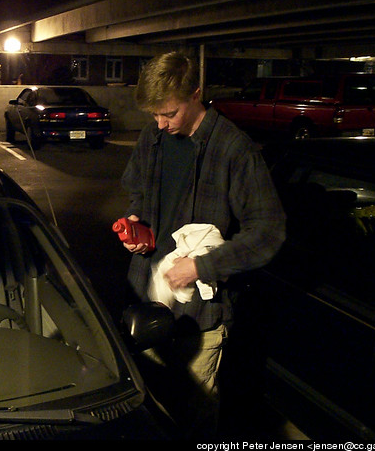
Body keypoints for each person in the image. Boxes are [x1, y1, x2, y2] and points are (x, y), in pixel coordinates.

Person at [120, 52, 286, 438]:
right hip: (147, 303)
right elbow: (138, 191)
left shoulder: (234, 149)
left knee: (193, 412)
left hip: (200, 315)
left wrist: (201, 267)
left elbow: (268, 230)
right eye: (155, 116)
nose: (161, 124)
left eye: (170, 113)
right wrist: (135, 223)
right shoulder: (154, 137)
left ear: (196, 94)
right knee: (149, 403)